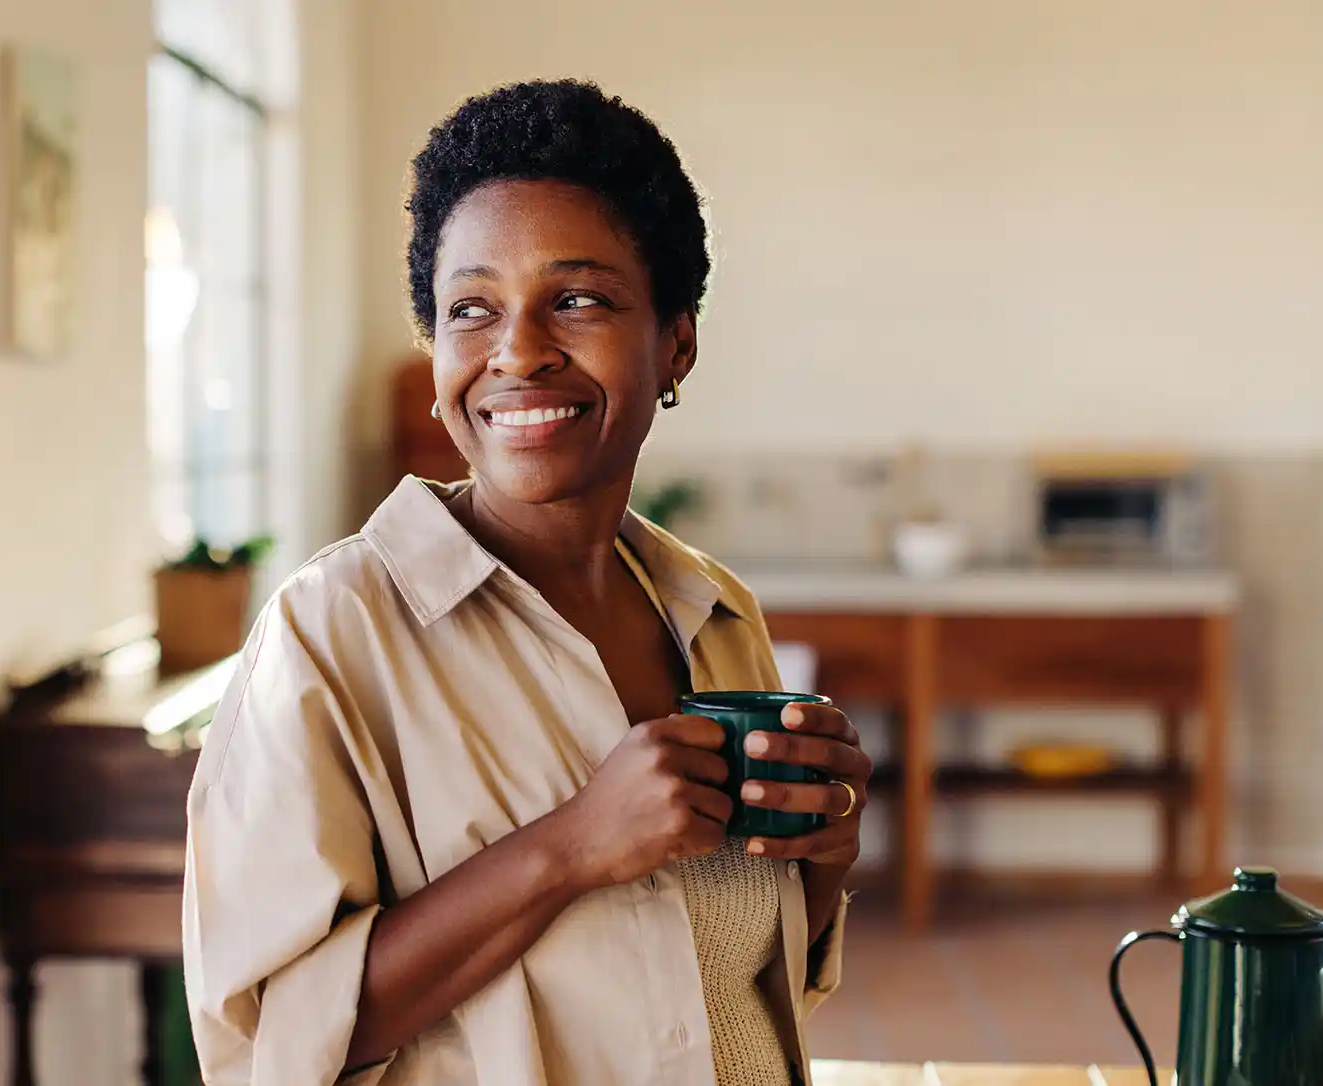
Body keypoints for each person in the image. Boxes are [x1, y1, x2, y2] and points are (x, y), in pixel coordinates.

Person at [181, 78, 873, 1086]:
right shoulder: (330, 637)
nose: (516, 350)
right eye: (471, 309)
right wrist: (573, 848)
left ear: (674, 341)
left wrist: (826, 850)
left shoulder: (714, 615)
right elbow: (272, 1046)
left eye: (577, 299)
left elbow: (733, 978)